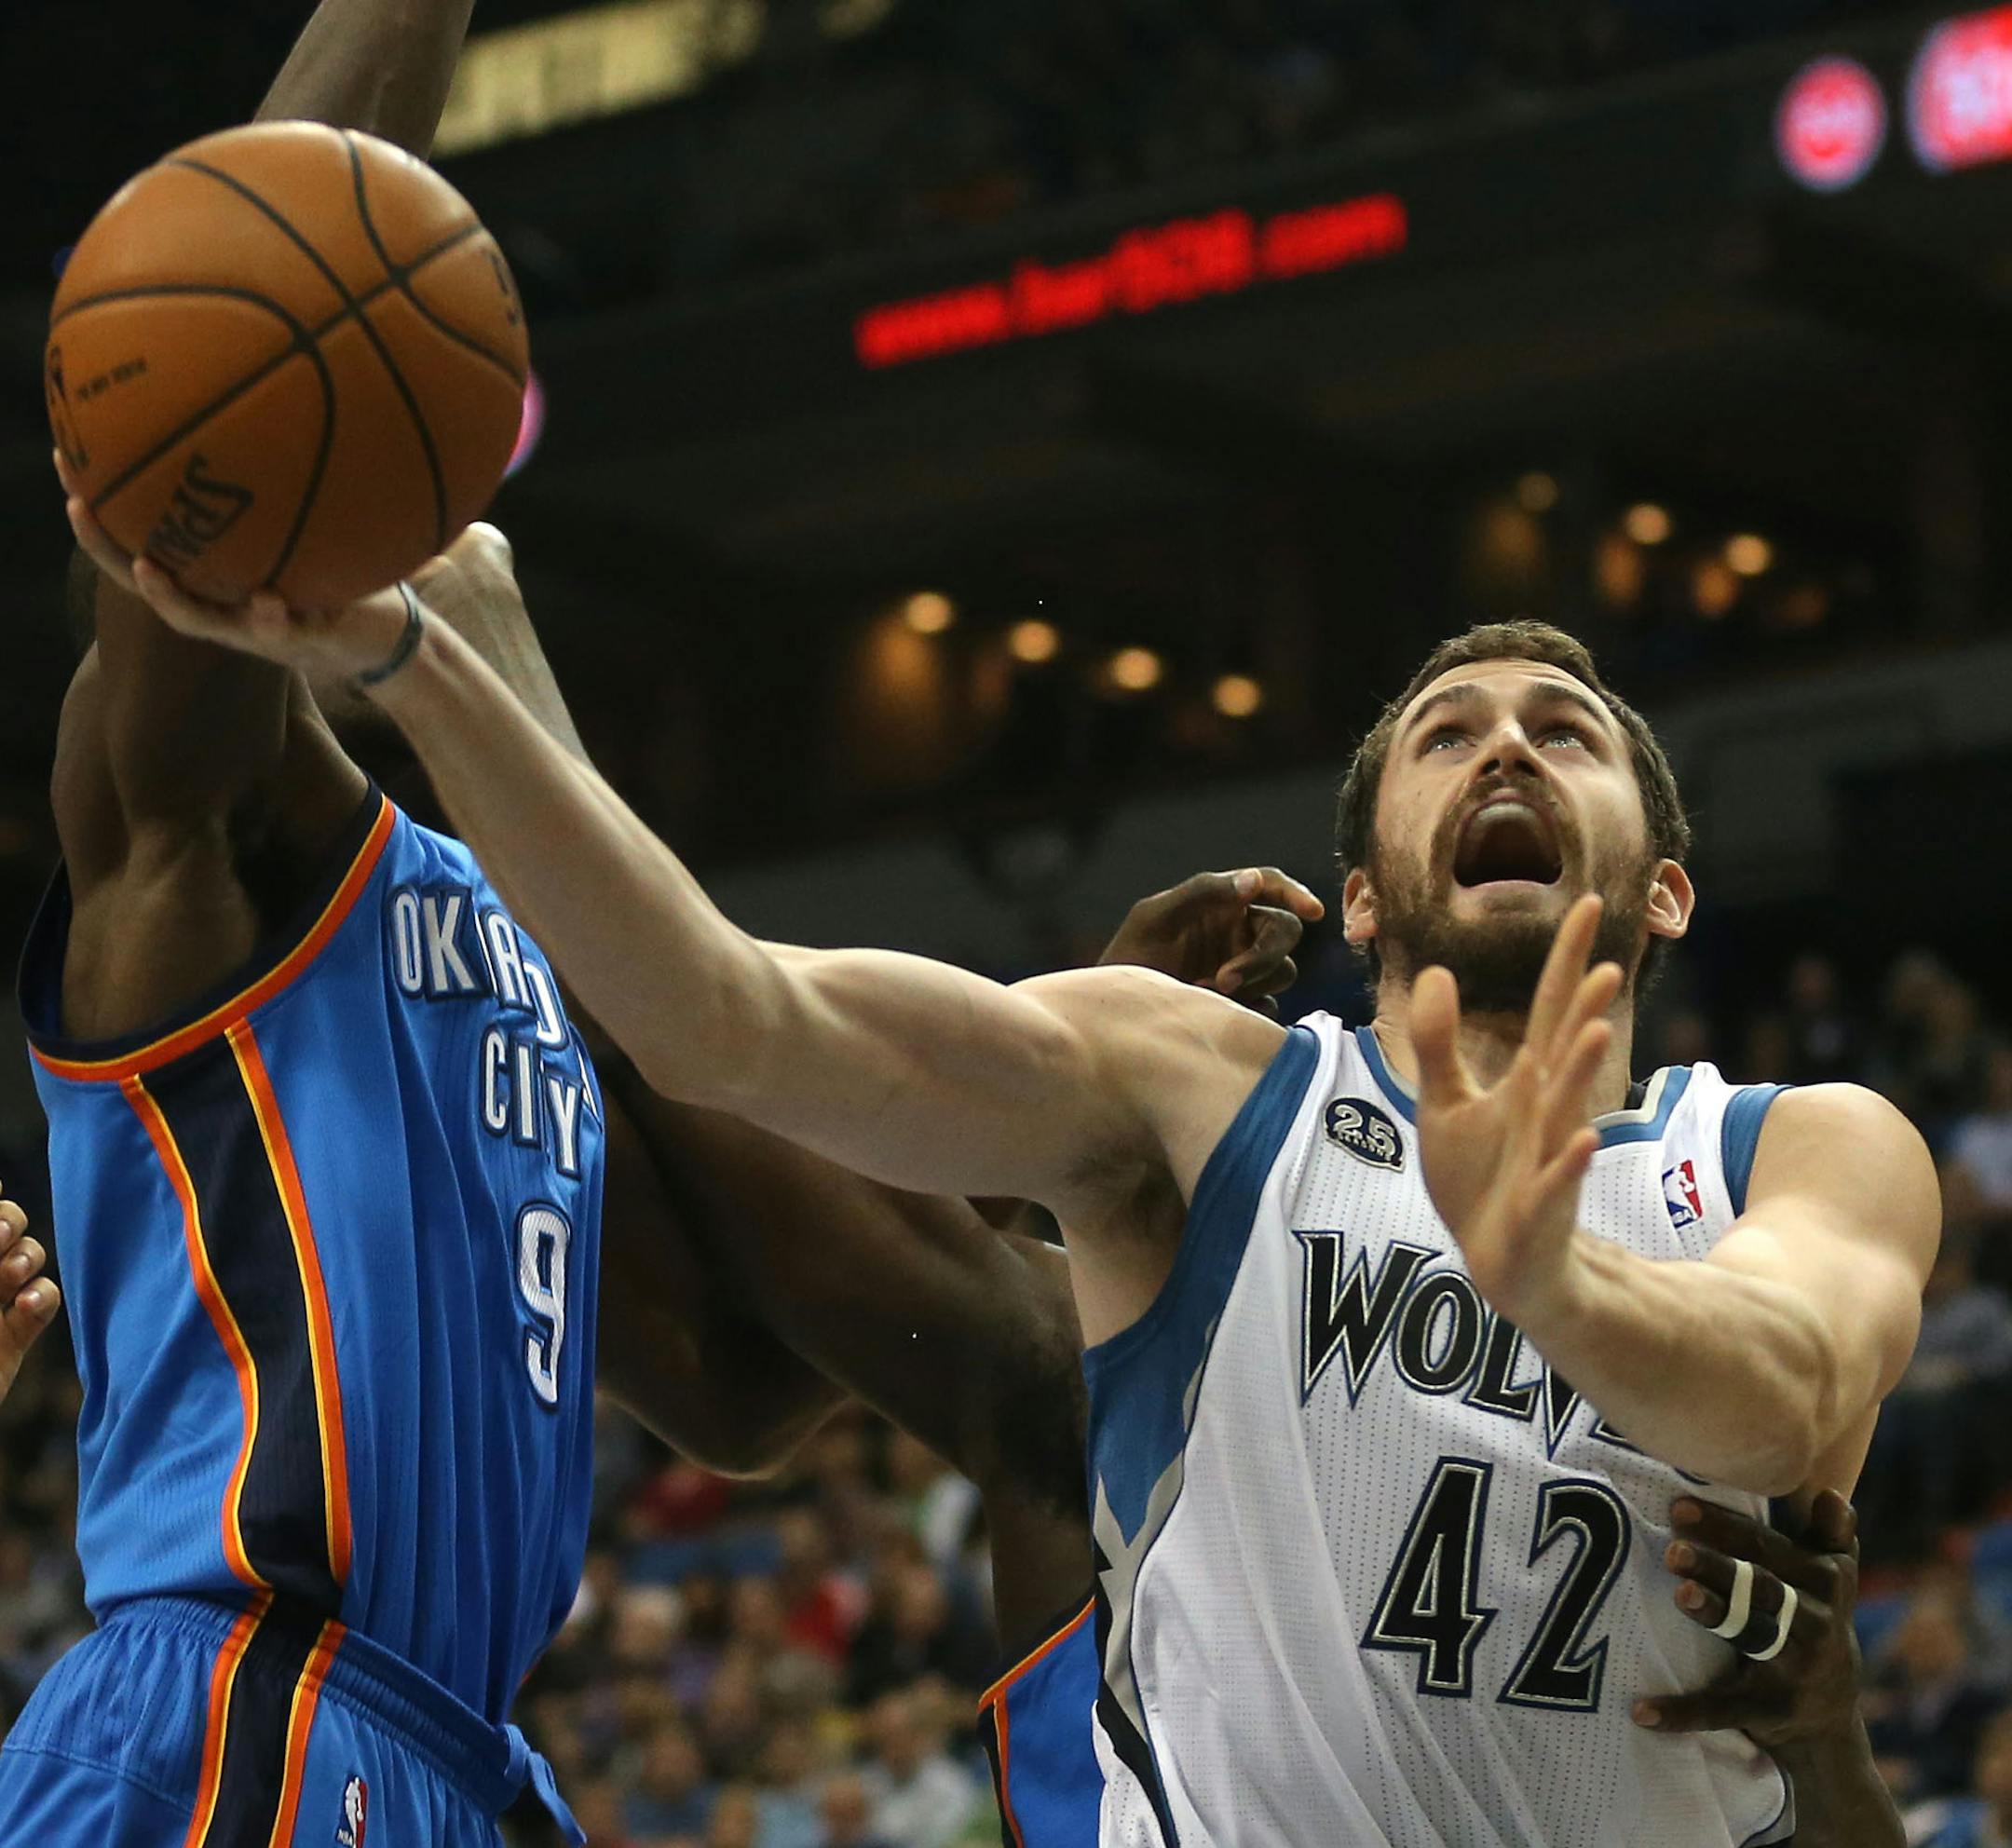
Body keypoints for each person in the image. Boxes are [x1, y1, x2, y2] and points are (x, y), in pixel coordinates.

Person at [97, 525, 1941, 1842]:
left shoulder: (1803, 1145)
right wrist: (434, 677)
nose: (1512, 742)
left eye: (1569, 727)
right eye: (1452, 733)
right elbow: (733, 1019)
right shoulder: (1204, 1084)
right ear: (1364, 898)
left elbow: (1783, 1384)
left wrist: (1545, 1264)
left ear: (1670, 887)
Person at [0, 4, 607, 1841]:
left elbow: (745, 1388)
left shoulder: (555, 962)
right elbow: (228, 338)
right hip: (239, 1701)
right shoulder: (208, 850)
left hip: (478, 1755)